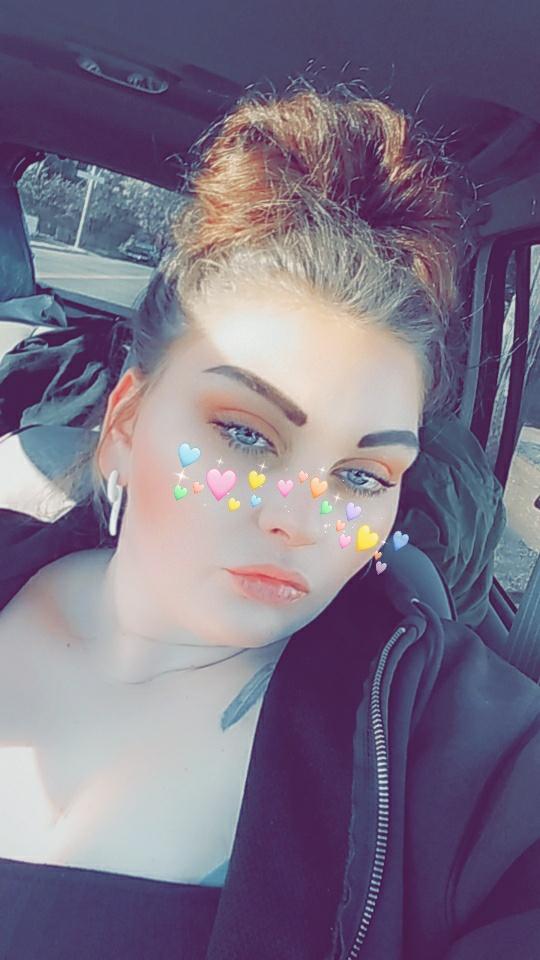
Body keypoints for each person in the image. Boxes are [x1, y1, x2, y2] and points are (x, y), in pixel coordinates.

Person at [0, 79, 538, 960]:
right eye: (247, 434)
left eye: (361, 474)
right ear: (127, 421)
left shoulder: (445, 746)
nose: (303, 521)